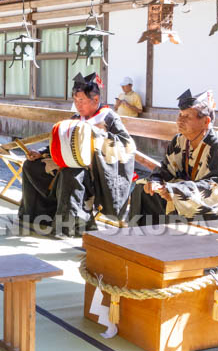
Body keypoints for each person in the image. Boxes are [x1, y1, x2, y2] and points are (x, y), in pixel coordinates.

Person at [18, 72, 136, 237]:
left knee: (71, 173)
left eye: (81, 100)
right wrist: (42, 153)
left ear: (95, 100)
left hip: (96, 171)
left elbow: (127, 146)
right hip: (70, 162)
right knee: (32, 166)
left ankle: (69, 226)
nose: (78, 105)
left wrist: (96, 134)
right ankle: (40, 215)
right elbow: (63, 142)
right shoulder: (76, 118)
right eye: (75, 100)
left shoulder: (109, 118)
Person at [128, 89, 218, 224]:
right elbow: (166, 170)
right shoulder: (178, 140)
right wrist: (156, 182)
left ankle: (180, 243)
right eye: (180, 115)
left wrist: (176, 190)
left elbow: (217, 186)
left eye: (187, 116)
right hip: (192, 191)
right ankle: (145, 239)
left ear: (206, 121)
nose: (180, 120)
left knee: (195, 206)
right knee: (144, 191)